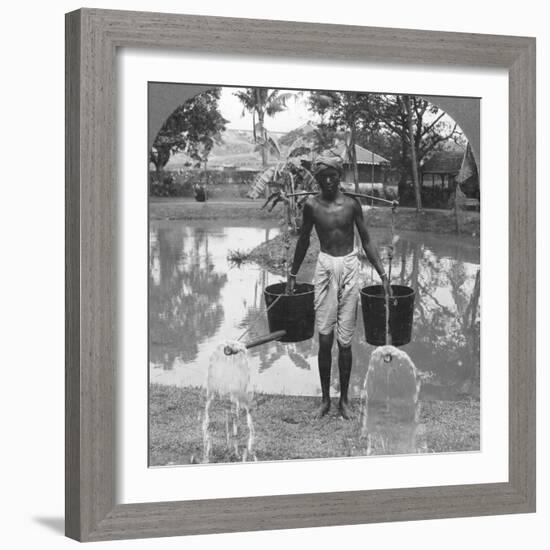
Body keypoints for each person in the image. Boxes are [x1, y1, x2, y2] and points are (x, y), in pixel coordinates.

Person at [289, 155, 390, 419]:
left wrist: (382, 273)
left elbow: (366, 240)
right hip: (324, 267)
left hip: (349, 265)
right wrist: (292, 272)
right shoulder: (311, 206)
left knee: (345, 342)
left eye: (333, 175)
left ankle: (344, 400)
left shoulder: (352, 205)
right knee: (324, 338)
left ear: (340, 176)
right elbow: (303, 241)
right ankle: (325, 400)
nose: (329, 180)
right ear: (318, 179)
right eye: (324, 177)